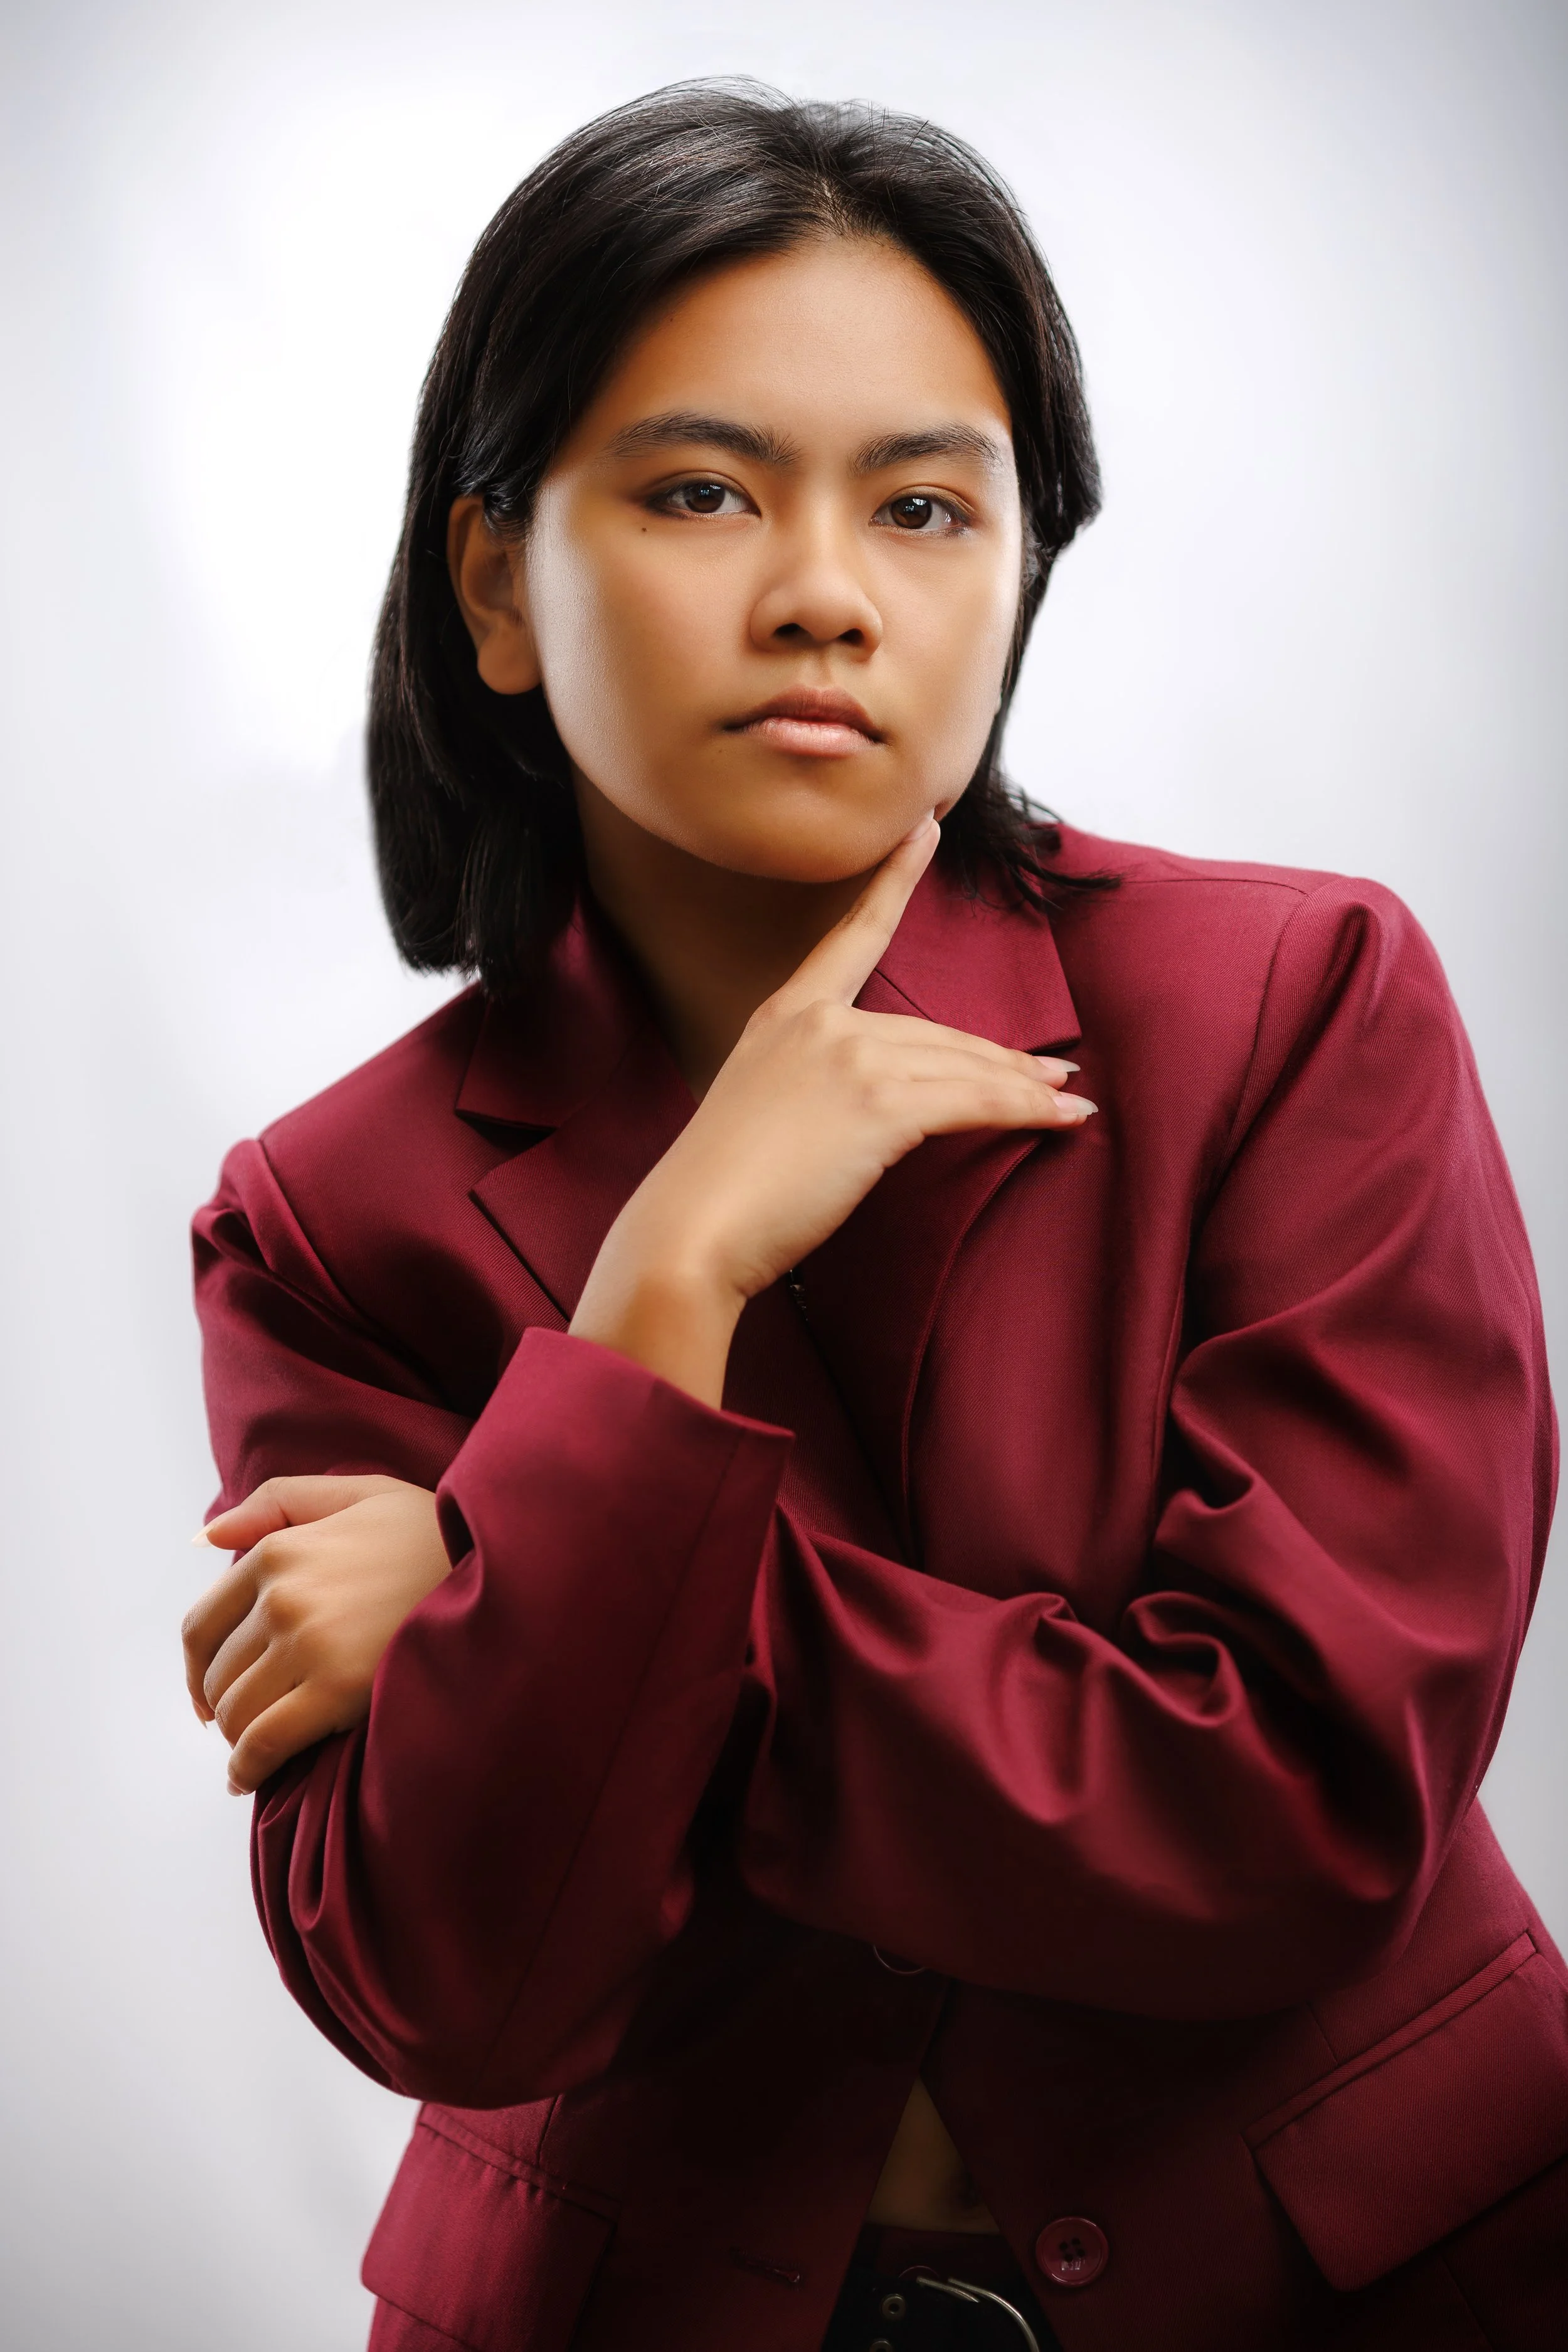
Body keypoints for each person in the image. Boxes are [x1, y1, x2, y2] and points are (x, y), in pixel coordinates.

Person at [180, 83, 1566, 2352]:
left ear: (1018, 567)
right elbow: (458, 1981)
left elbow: (1288, 1803)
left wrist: (522, 1576)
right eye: (704, 489)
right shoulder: (332, 1216)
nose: (825, 590)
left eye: (926, 503)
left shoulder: (1289, 1006)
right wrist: (661, 1290)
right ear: (493, 585)